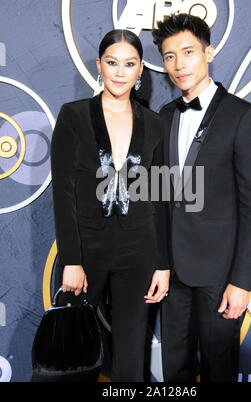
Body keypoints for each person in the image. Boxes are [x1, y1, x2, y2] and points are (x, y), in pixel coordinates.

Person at [152, 13, 251, 382]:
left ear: (210, 53)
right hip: (173, 275)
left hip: (221, 278)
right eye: (169, 56)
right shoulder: (166, 115)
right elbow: (159, 197)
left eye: (188, 52)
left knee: (220, 370)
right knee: (175, 371)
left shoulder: (243, 117)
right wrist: (160, 263)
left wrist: (242, 282)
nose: (179, 63)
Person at [50, 29, 170, 382]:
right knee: (75, 351)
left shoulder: (154, 124)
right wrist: (72, 260)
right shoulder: (73, 116)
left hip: (139, 250)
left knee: (132, 356)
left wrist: (162, 264)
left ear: (141, 69)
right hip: (87, 249)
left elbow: (160, 196)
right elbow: (64, 193)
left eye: (129, 64)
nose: (120, 72)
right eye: (113, 63)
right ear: (100, 65)